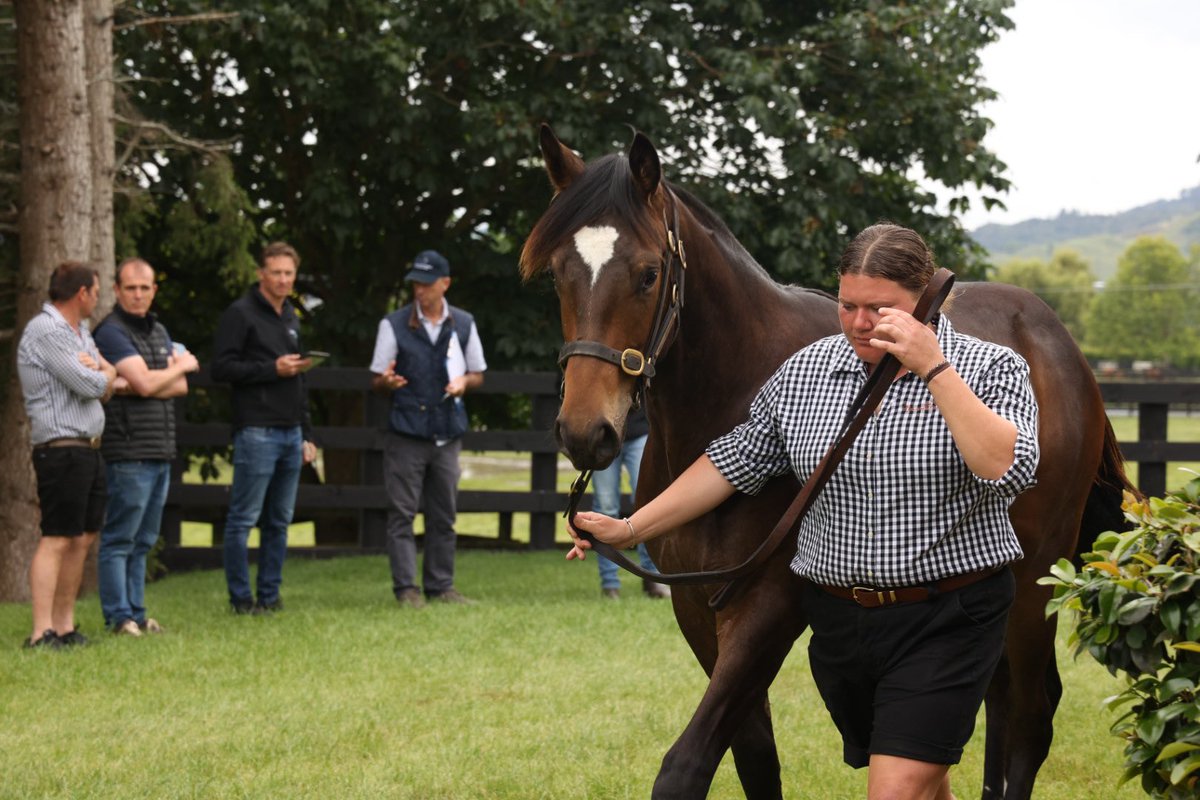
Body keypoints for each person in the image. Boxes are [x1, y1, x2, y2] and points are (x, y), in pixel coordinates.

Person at [568, 223, 1040, 800]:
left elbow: (1007, 468)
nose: (859, 322)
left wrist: (934, 369)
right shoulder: (807, 371)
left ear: (925, 301)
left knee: (894, 788)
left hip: (946, 616)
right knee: (920, 777)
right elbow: (733, 461)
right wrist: (630, 527)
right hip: (844, 625)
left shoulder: (992, 368)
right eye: (847, 305)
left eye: (880, 308)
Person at [369, 249, 487, 607]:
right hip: (406, 433)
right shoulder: (392, 324)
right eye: (415, 284)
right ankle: (406, 589)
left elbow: (478, 373)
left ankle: (441, 586)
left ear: (444, 283)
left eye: (426, 283)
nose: (419, 290)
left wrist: (464, 383)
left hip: (447, 433)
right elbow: (377, 379)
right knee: (402, 515)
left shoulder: (464, 323)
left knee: (444, 516)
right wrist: (387, 382)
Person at [93, 258, 200, 636]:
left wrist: (152, 381)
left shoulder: (158, 330)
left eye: (144, 288)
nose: (138, 295)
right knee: (120, 538)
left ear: (154, 290)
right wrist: (179, 366)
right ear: (117, 290)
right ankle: (119, 617)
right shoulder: (111, 332)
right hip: (128, 450)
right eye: (130, 288)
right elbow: (148, 383)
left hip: (159, 448)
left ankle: (138, 615)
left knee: (144, 540)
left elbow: (178, 387)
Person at [211, 241, 317, 615]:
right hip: (256, 429)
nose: (283, 280)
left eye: (289, 273)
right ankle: (241, 599)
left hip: (291, 432)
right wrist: (271, 369)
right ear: (261, 274)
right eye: (276, 273)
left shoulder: (290, 315)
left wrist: (307, 433)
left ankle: (270, 596)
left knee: (279, 521)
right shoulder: (240, 314)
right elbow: (221, 368)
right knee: (243, 519)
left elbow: (299, 380)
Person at [17, 262, 117, 649]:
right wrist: (105, 373)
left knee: (82, 538)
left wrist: (102, 373)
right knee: (58, 537)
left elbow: (102, 383)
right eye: (96, 292)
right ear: (81, 293)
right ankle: (41, 632)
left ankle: (64, 627)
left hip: (89, 448)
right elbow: (92, 385)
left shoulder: (82, 332)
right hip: (60, 450)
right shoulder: (47, 331)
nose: (98, 299)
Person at [590, 407, 669, 599]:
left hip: (639, 432)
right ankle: (610, 584)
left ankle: (652, 578)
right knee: (605, 507)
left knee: (648, 506)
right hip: (601, 437)